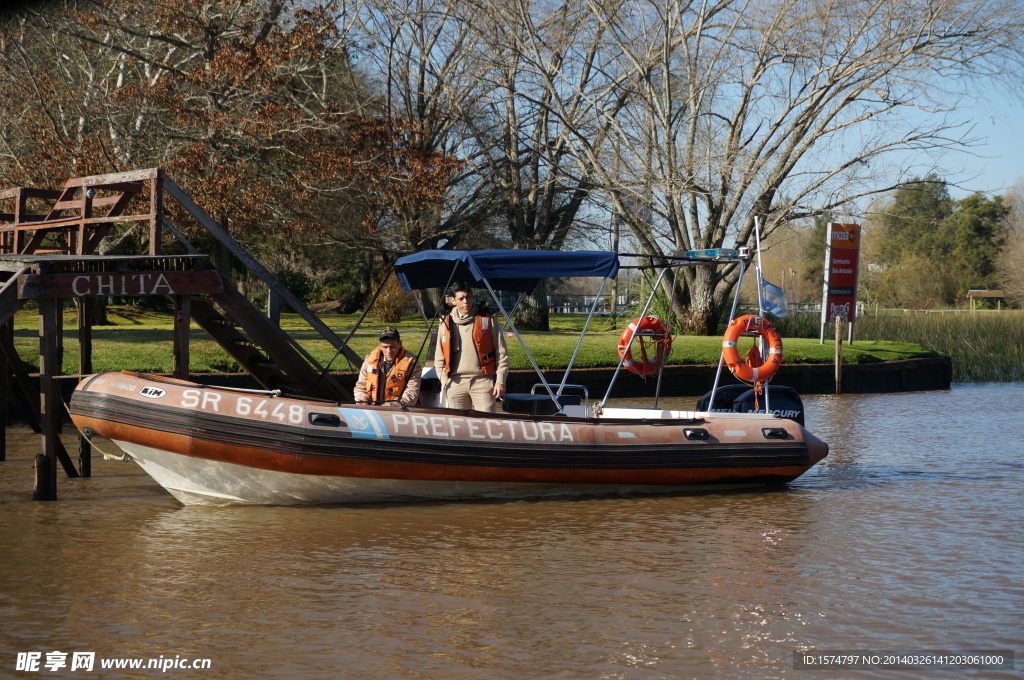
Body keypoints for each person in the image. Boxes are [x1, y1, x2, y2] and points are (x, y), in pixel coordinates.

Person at [433, 281, 509, 412]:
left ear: (472, 296)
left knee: (487, 424)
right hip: (455, 383)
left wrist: (500, 380)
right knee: (458, 426)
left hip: (482, 381)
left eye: (468, 297)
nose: (465, 301)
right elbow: (439, 356)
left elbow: (501, 353)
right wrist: (444, 381)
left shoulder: (487, 319)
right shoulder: (446, 323)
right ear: (453, 300)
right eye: (461, 298)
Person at [353, 327, 422, 407]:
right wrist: (361, 399)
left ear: (400, 344)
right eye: (385, 347)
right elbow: (360, 385)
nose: (389, 351)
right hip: (372, 410)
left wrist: (387, 407)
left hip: (399, 412)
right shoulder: (370, 359)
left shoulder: (411, 362)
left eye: (392, 347)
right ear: (380, 346)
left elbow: (411, 395)